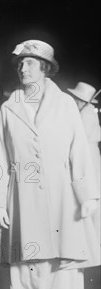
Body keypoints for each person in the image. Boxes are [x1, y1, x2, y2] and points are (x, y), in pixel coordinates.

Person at [0, 41, 99, 289]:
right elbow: (0, 157)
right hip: (22, 199)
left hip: (60, 200)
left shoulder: (65, 105)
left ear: (46, 68)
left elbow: (79, 151)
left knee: (58, 272)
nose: (23, 69)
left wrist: (87, 197)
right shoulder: (9, 108)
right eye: (21, 64)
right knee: (30, 269)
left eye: (31, 64)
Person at [68, 82, 100, 245]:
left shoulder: (87, 114)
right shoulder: (80, 112)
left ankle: (93, 239)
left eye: (75, 98)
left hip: (89, 156)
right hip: (86, 155)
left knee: (91, 193)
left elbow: (81, 138)